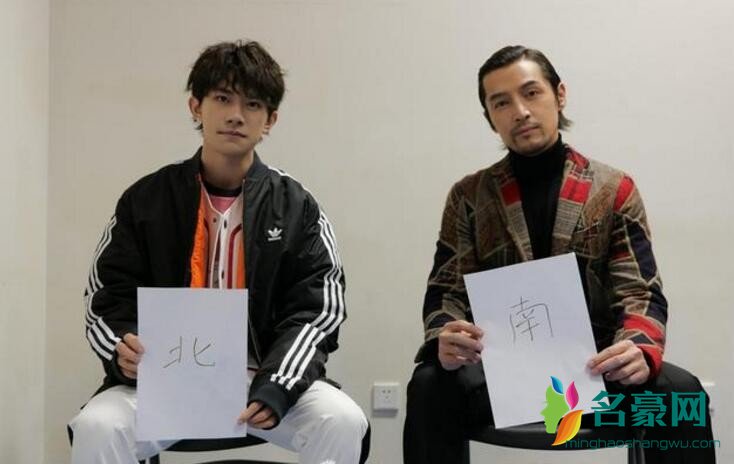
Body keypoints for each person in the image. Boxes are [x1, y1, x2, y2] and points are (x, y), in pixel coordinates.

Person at [403, 45, 715, 464]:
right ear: (490, 118)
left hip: (598, 377)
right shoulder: (469, 197)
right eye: (501, 103)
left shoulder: (614, 189)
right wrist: (447, 335)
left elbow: (640, 291)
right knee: (429, 385)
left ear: (559, 95)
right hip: (499, 380)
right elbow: (446, 291)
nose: (520, 111)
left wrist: (637, 349)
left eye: (531, 93)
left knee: (681, 397)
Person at [69, 40, 369, 464]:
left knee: (341, 421)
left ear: (270, 119)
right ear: (196, 106)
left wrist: (278, 384)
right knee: (97, 427)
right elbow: (106, 295)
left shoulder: (297, 206)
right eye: (223, 99)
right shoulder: (147, 199)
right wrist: (122, 347)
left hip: (262, 380)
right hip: (164, 383)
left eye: (253, 104)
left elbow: (318, 310)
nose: (236, 115)